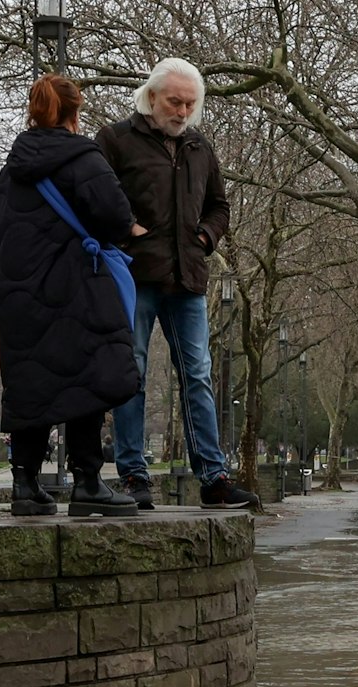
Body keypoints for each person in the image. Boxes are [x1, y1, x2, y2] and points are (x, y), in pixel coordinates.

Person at [97, 58, 257, 510]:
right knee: (133, 372)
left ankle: (213, 478)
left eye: (190, 103)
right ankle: (134, 477)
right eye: (175, 101)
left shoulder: (199, 148)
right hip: (133, 276)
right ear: (152, 96)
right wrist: (127, 227)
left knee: (199, 377)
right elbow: (95, 195)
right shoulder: (114, 141)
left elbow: (219, 205)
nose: (183, 111)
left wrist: (205, 237)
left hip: (188, 279)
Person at [0, 74, 142, 517]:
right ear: (75, 113)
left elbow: (2, 232)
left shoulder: (12, 168)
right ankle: (89, 483)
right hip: (77, 288)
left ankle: (25, 485)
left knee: (31, 380)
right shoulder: (83, 157)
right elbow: (116, 217)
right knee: (88, 378)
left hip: (20, 293)